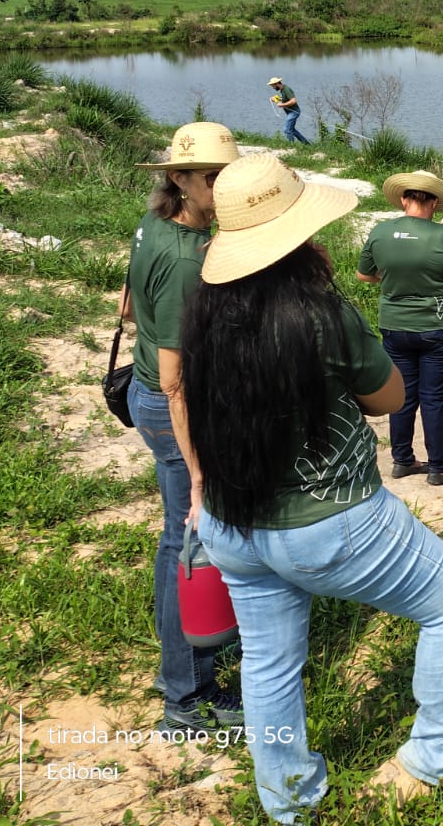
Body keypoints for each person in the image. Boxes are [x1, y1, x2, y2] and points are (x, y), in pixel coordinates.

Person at [179, 152, 443, 821]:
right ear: (299, 237)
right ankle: (433, 764)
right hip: (328, 523)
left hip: (232, 522)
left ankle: (289, 799)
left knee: (267, 663)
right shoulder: (319, 314)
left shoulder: (202, 311)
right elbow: (387, 397)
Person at [127, 122, 244, 733]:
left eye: (228, 175)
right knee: (188, 546)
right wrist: (198, 468)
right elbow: (175, 381)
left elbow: (126, 307)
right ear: (179, 179)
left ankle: (178, 671)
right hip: (175, 411)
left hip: (149, 397)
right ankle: (187, 698)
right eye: (210, 178)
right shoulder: (182, 258)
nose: (221, 187)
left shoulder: (155, 227)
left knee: (177, 543)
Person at [357, 170, 443, 485]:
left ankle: (403, 460)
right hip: (441, 327)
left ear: (403, 199)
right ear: (435, 203)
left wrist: (392, 278)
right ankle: (439, 468)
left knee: (404, 395)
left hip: (395, 327)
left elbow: (364, 275)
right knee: (433, 398)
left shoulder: (380, 232)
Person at [266, 77, 310, 145]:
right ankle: (306, 144)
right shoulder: (282, 90)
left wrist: (282, 105)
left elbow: (293, 101)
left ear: (277, 83)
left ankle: (291, 146)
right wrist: (276, 99)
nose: (273, 88)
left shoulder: (286, 89)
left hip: (294, 112)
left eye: (273, 86)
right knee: (292, 130)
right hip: (291, 112)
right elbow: (285, 99)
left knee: (287, 129)